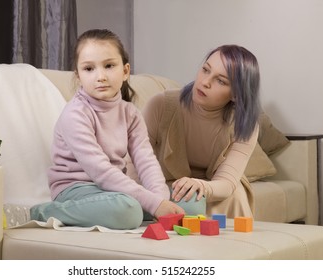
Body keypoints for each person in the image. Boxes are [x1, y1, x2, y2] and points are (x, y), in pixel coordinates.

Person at [30, 29, 187, 230]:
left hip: (112, 190)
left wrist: (160, 199)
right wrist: (154, 204)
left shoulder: (130, 113)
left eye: (109, 66)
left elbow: (146, 160)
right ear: (78, 76)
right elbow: (101, 171)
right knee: (128, 211)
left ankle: (141, 210)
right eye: (89, 69)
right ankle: (44, 211)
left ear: (125, 71)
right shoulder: (75, 114)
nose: (100, 76)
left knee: (190, 204)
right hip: (76, 189)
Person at [142, 45, 261, 218]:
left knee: (235, 195)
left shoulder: (245, 126)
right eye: (205, 70)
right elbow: (133, 162)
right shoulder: (160, 105)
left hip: (213, 189)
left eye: (220, 81)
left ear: (236, 94)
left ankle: (232, 244)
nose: (205, 82)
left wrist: (202, 186)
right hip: (161, 186)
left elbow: (226, 183)